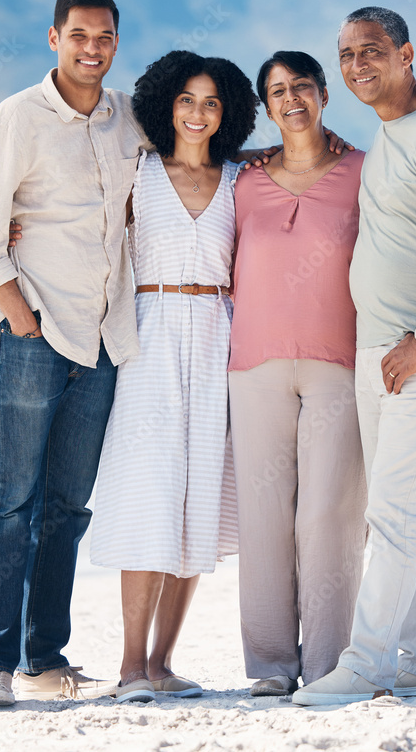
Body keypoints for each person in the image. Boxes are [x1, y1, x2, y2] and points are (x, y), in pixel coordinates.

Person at [231, 52, 416, 698]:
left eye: (302, 86)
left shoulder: (370, 161)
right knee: (304, 516)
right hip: (273, 360)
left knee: (348, 516)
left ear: (325, 95)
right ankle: (404, 662)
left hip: (360, 358)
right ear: (265, 107)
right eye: (276, 92)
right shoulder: (245, 178)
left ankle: (342, 662)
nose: (290, 99)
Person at [0, 0, 147, 707]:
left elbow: (201, 150)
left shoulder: (131, 119)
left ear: (115, 42)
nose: (91, 49)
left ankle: (45, 657)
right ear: (53, 38)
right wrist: (22, 320)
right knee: (10, 500)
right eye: (78, 36)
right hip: (31, 335)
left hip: (102, 340)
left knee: (67, 506)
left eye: (103, 37)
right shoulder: (14, 120)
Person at [88, 51, 258, 703]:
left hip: (218, 336)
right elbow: (86, 226)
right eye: (187, 99)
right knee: (147, 496)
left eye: (212, 102)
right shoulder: (139, 171)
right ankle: (130, 667)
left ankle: (162, 663)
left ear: (229, 112)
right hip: (150, 337)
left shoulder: (241, 180)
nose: (197, 112)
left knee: (199, 502)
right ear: (166, 103)